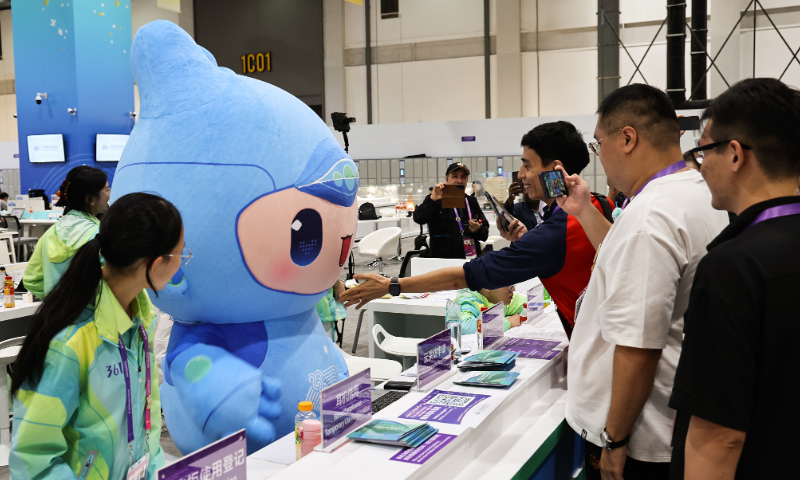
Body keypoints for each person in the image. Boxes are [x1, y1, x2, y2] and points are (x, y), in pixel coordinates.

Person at [554, 84, 729, 480]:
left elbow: (638, 346)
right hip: (678, 416)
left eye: (599, 145)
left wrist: (614, 441)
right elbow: (629, 262)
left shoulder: (650, 215)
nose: (600, 159)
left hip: (641, 437)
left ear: (627, 138)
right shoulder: (699, 191)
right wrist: (583, 211)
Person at [341, 121, 614, 335]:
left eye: (527, 165)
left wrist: (392, 285)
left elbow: (468, 276)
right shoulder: (596, 206)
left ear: (554, 170)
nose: (520, 174)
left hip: (594, 342)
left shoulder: (557, 230)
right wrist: (530, 240)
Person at [668, 79, 800, 480]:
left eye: (703, 152)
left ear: (736, 155)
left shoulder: (733, 267)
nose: (700, 165)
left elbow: (719, 435)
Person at [10, 192, 186, 480]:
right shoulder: (70, 342)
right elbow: (33, 462)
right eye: (181, 254)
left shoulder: (142, 320)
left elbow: (147, 418)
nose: (181, 262)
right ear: (156, 264)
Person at [23, 166, 110, 299]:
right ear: (90, 199)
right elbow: (116, 282)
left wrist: (58, 300)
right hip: (95, 317)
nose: (110, 194)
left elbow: (31, 280)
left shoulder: (49, 234)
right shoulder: (100, 236)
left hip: (57, 317)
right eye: (107, 189)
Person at [413, 162, 489, 258]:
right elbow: (419, 218)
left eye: (463, 177)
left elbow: (485, 234)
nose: (459, 180)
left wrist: (478, 229)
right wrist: (432, 199)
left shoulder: (471, 201)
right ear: (447, 179)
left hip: (470, 259)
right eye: (455, 176)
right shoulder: (436, 200)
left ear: (467, 180)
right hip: (443, 259)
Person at [455, 285, 525, 333]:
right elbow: (462, 327)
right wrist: (507, 323)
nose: (513, 289)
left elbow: (526, 303)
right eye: (508, 285)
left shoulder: (496, 296)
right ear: (488, 286)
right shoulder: (468, 301)